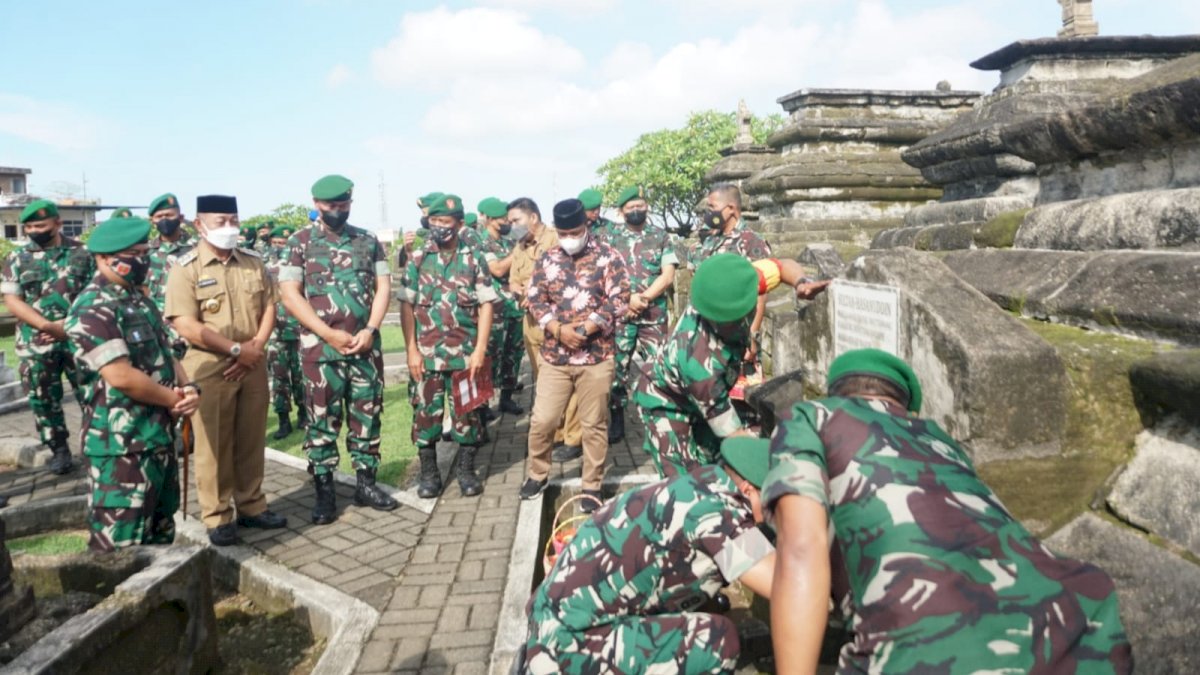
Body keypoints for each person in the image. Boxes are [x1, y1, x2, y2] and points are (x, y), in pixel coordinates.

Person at [765, 349, 1134, 674]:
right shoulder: (940, 441)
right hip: (1079, 626)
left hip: (922, 645)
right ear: (906, 408)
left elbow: (800, 545)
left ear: (838, 393)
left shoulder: (810, 416)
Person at [523, 436, 776, 674]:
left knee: (711, 607)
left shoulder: (706, 483)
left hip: (555, 622)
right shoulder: (717, 515)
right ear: (749, 490)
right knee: (720, 640)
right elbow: (785, 587)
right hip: (564, 648)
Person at [65, 216, 200, 551]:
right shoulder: (92, 307)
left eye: (145, 251)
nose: (144, 260)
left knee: (159, 540)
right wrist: (173, 399)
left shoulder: (137, 299)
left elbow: (167, 353)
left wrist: (189, 388)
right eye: (135, 253)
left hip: (156, 440)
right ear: (105, 259)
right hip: (121, 450)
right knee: (119, 549)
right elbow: (120, 376)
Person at [635, 254, 827, 478]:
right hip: (666, 401)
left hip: (709, 391)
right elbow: (736, 438)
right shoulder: (698, 364)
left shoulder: (738, 282)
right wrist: (786, 470)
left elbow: (784, 265)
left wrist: (801, 283)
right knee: (686, 483)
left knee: (715, 462)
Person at [165, 194, 287, 546]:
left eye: (234, 220)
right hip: (207, 365)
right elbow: (184, 324)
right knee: (213, 444)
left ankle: (252, 505)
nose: (230, 227)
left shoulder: (253, 262)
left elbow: (269, 308)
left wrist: (255, 348)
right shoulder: (185, 268)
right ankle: (217, 516)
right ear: (199, 225)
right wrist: (236, 350)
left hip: (252, 362)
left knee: (251, 438)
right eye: (221, 221)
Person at [279, 175, 398, 524]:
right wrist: (326, 333)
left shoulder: (367, 240)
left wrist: (372, 329)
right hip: (321, 352)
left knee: (367, 417)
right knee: (321, 424)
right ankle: (325, 493)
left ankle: (366, 485)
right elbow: (290, 293)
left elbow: (383, 287)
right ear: (316, 204)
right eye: (331, 206)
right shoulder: (299, 242)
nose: (337, 211)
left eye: (343, 205)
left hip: (364, 348)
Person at [521, 198, 629, 510]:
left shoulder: (608, 256)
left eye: (576, 231)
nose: (571, 238)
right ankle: (537, 474)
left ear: (587, 226)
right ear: (557, 230)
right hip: (555, 357)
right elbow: (535, 298)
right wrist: (556, 328)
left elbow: (620, 298)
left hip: (596, 356)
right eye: (565, 232)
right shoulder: (548, 259)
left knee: (593, 423)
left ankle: (592, 485)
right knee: (543, 420)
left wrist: (587, 329)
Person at [399, 193, 496, 498]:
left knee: (467, 414)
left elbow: (486, 305)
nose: (440, 226)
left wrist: (480, 349)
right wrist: (411, 350)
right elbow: (406, 305)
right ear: (429, 221)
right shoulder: (417, 259)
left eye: (447, 222)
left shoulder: (473, 258)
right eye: (435, 221)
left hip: (465, 356)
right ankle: (429, 475)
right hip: (426, 356)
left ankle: (466, 471)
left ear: (458, 224)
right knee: (425, 415)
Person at [1, 199, 93, 474]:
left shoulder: (83, 253)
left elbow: (94, 293)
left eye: (40, 225)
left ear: (57, 223)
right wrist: (47, 326)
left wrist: (67, 324)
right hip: (36, 342)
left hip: (78, 337)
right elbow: (12, 300)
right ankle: (59, 450)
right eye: (28, 226)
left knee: (90, 394)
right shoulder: (16, 258)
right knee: (43, 399)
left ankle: (94, 448)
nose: (34, 231)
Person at [599, 185, 678, 444]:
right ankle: (617, 419)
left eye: (640, 206)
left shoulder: (660, 236)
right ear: (622, 212)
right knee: (616, 370)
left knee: (657, 368)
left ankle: (658, 420)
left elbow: (667, 275)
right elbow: (603, 275)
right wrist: (627, 299)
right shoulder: (609, 238)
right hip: (620, 316)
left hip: (653, 315)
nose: (636, 211)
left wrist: (642, 299)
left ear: (647, 207)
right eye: (630, 208)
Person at [507, 197, 583, 459]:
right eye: (509, 222)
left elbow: (569, 276)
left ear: (533, 218)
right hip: (531, 325)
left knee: (568, 380)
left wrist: (536, 290)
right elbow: (513, 281)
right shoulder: (519, 247)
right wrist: (517, 288)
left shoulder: (556, 239)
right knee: (546, 383)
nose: (512, 226)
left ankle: (574, 438)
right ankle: (558, 433)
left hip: (557, 323)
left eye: (516, 221)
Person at [691, 183, 773, 362]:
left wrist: (753, 336)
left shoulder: (752, 242)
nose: (709, 212)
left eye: (713, 207)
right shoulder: (709, 241)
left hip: (737, 334)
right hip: (705, 333)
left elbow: (761, 293)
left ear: (731, 209)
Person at [477, 196, 525, 417]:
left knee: (513, 354)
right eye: (499, 220)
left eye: (506, 218)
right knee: (489, 357)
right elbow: (497, 270)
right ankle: (484, 405)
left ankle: (506, 398)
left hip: (515, 306)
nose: (505, 222)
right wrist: (517, 253)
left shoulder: (509, 239)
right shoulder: (481, 242)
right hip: (493, 310)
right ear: (487, 219)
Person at [264, 224, 305, 438]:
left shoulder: (300, 264)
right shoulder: (263, 267)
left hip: (299, 328)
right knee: (280, 379)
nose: (280, 247)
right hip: (276, 332)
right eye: (276, 243)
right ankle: (283, 420)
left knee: (301, 376)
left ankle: (304, 415)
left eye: (283, 243)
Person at [145, 192, 196, 359]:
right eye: (159, 216)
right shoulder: (144, 252)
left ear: (181, 218)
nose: (164, 219)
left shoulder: (199, 249)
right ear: (152, 221)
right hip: (158, 333)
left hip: (194, 331)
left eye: (169, 215)